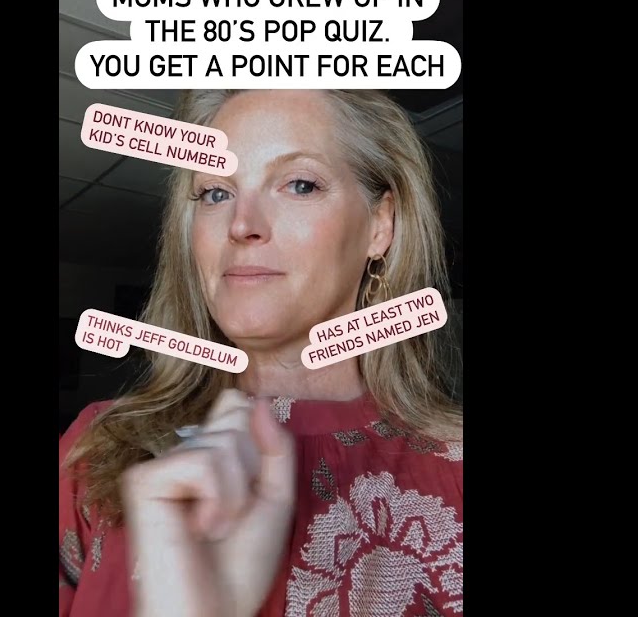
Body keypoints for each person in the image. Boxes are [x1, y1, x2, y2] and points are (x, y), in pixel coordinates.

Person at [59, 89, 464, 616]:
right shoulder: (95, 448)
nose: (240, 224)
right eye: (215, 193)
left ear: (379, 225)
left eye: (300, 184)